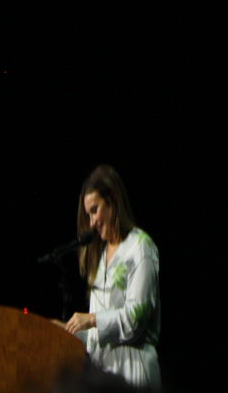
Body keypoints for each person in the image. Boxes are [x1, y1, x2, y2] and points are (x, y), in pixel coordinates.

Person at [63, 164, 161, 390]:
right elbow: (100, 337)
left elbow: (135, 320)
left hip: (134, 372)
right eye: (88, 214)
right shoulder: (102, 258)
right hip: (105, 376)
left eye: (95, 210)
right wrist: (67, 330)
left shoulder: (140, 247)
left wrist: (92, 319)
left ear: (113, 200)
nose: (91, 223)